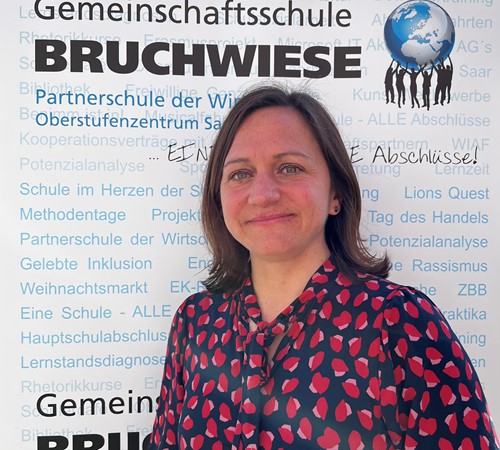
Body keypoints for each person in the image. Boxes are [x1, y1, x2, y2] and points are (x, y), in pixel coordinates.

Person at [148, 84, 499, 450]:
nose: (263, 194)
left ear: (336, 194)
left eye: (290, 168)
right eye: (240, 174)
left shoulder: (398, 322)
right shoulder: (195, 322)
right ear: (219, 199)